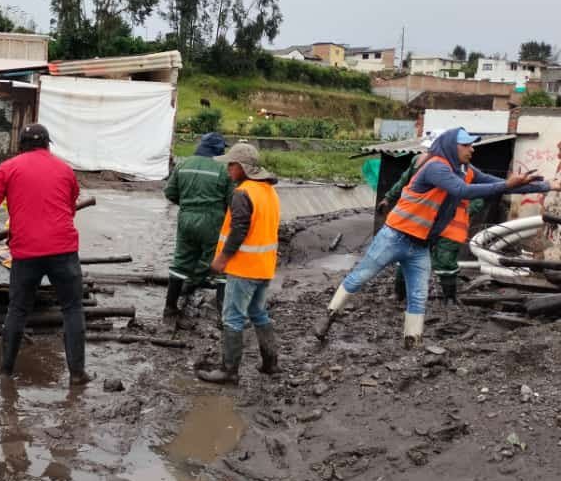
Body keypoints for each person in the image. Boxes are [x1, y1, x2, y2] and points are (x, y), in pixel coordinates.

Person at [316, 127, 560, 347]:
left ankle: (413, 343)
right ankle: (327, 318)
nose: (472, 149)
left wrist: (548, 185)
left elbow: (500, 184)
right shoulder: (436, 166)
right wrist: (507, 185)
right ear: (451, 147)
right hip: (394, 237)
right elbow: (462, 191)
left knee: (419, 296)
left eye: (472, 144)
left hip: (420, 245)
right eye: (466, 145)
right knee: (360, 277)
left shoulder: (465, 170)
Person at [0, 123, 91, 386]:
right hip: (63, 250)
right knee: (72, 309)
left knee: (17, 309)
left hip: (26, 252)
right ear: (48, 144)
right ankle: (77, 374)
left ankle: (5, 372)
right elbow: (70, 204)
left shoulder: (9, 168)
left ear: (21, 145)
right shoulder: (64, 169)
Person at [196, 143, 281, 385]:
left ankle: (229, 370)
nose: (228, 170)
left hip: (244, 268)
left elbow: (239, 230)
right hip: (264, 266)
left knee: (232, 317)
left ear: (243, 167)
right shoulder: (268, 191)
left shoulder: (243, 193)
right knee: (258, 312)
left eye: (231, 165)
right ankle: (270, 364)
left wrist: (221, 259)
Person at [378, 152, 484, 307]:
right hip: (422, 221)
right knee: (407, 256)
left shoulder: (466, 170)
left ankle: (449, 298)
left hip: (450, 224)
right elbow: (404, 182)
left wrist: (465, 212)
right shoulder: (420, 162)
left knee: (446, 260)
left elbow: (479, 195)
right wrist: (388, 198)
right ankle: (399, 294)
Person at [163, 132, 234, 320]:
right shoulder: (223, 169)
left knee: (181, 259)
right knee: (219, 264)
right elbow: (232, 201)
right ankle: (221, 315)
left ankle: (170, 307)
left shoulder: (184, 164)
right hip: (213, 219)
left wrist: (188, 204)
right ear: (219, 150)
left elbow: (170, 193)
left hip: (186, 217)